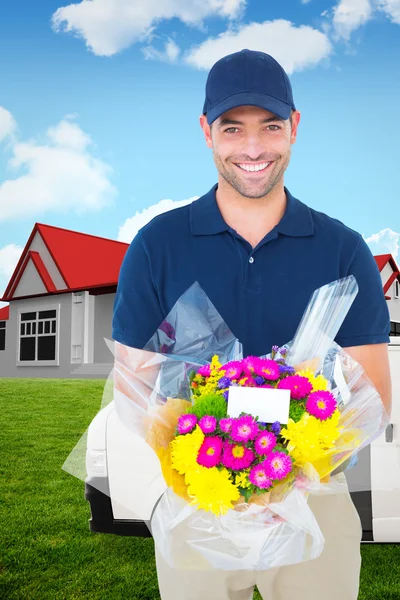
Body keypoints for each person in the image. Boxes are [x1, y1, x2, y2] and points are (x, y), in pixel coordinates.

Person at [112, 49, 392, 600]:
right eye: (232, 128)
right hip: (197, 501)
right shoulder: (157, 245)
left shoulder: (342, 249)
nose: (254, 148)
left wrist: (286, 479)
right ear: (206, 132)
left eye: (271, 126)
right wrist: (212, 465)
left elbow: (373, 394)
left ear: (295, 128)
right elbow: (134, 385)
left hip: (317, 504)